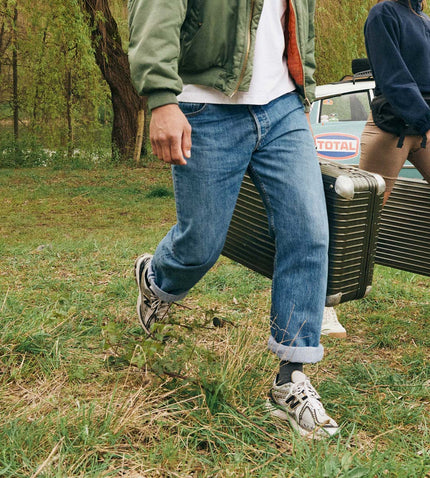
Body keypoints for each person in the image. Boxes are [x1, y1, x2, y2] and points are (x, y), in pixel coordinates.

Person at [128, 0, 339, 438]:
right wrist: (162, 99)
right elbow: (157, 8)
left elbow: (300, 17)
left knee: (310, 234)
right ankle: (157, 279)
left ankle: (292, 378)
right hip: (204, 106)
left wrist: (303, 86)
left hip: (282, 106)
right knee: (201, 243)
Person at [360, 0, 430, 205]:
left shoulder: (425, 20)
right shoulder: (383, 14)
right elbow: (392, 77)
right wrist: (425, 120)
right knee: (365, 215)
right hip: (390, 128)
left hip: (425, 127)